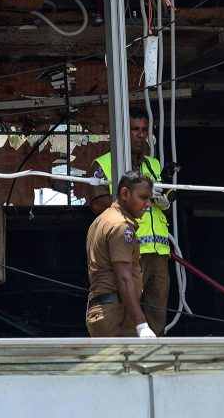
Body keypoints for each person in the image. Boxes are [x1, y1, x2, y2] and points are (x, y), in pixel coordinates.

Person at [89, 107, 172, 335]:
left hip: (159, 249)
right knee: (127, 312)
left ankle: (152, 360)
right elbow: (96, 204)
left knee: (157, 314)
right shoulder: (104, 163)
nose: (141, 135)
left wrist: (164, 198)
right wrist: (133, 198)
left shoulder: (153, 165)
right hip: (129, 249)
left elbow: (171, 196)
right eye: (135, 129)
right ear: (122, 132)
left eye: (144, 130)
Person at [85, 170, 157, 338]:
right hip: (116, 314)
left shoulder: (101, 220)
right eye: (143, 197)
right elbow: (123, 278)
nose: (148, 204)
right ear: (125, 193)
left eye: (150, 199)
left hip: (104, 309)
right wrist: (141, 325)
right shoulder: (121, 227)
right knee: (124, 363)